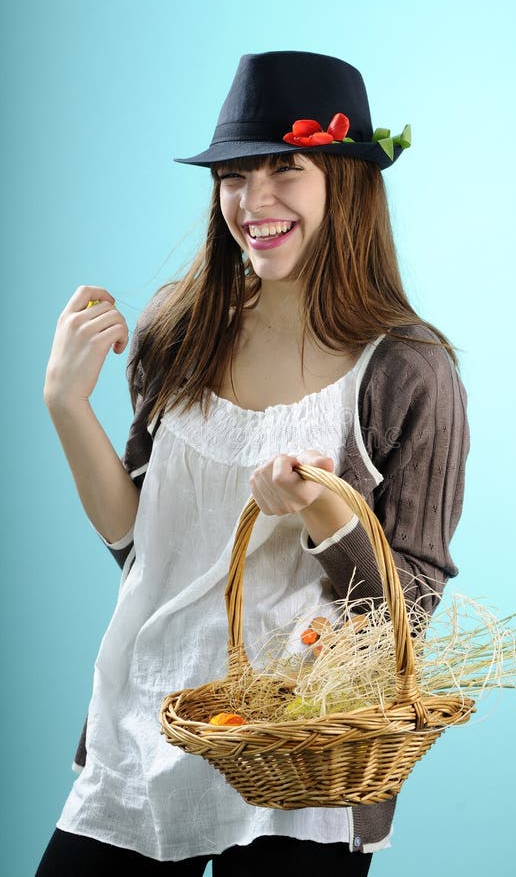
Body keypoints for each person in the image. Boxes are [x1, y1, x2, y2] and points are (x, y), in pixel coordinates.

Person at [37, 51, 470, 876]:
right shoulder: (179, 329)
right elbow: (141, 548)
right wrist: (66, 406)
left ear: (344, 182)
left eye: (284, 168)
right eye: (235, 174)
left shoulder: (407, 371)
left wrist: (321, 514)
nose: (253, 200)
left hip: (302, 762)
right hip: (147, 718)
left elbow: (399, 626)